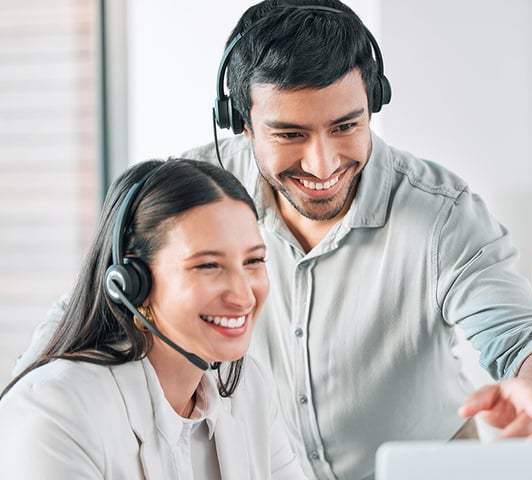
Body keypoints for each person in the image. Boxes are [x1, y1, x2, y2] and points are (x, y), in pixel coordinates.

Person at [14, 1, 532, 478]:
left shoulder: (441, 212)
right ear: (240, 123)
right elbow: (73, 333)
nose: (324, 162)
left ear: (374, 105)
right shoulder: (195, 200)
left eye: (347, 125)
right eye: (290, 133)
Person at [1, 159, 306, 479]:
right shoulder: (56, 414)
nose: (243, 296)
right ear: (132, 281)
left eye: (253, 260)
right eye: (208, 266)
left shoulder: (246, 389)